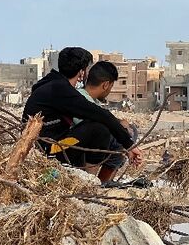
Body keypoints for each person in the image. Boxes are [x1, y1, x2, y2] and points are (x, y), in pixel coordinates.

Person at [22, 47, 143, 180]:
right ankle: (90, 181)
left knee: (92, 128)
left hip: (47, 144)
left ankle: (87, 178)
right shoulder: (61, 90)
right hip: (48, 149)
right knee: (99, 128)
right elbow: (100, 114)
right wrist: (129, 145)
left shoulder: (51, 84)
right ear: (81, 72)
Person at [73, 60, 139, 183]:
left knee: (127, 131)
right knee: (122, 138)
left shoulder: (89, 99)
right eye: (111, 87)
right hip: (76, 145)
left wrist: (119, 123)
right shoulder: (81, 99)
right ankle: (100, 183)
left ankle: (101, 182)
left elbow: (102, 116)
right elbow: (91, 123)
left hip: (82, 142)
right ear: (105, 85)